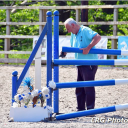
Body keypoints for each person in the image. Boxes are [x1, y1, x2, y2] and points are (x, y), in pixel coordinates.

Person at [63, 18, 101, 111]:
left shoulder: (85, 30)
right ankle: (80, 109)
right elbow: (74, 46)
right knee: (79, 87)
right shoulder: (73, 34)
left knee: (88, 87)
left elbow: (98, 37)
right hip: (79, 64)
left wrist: (88, 47)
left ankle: (90, 109)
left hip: (89, 63)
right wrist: (66, 52)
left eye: (68, 29)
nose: (68, 31)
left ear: (73, 25)